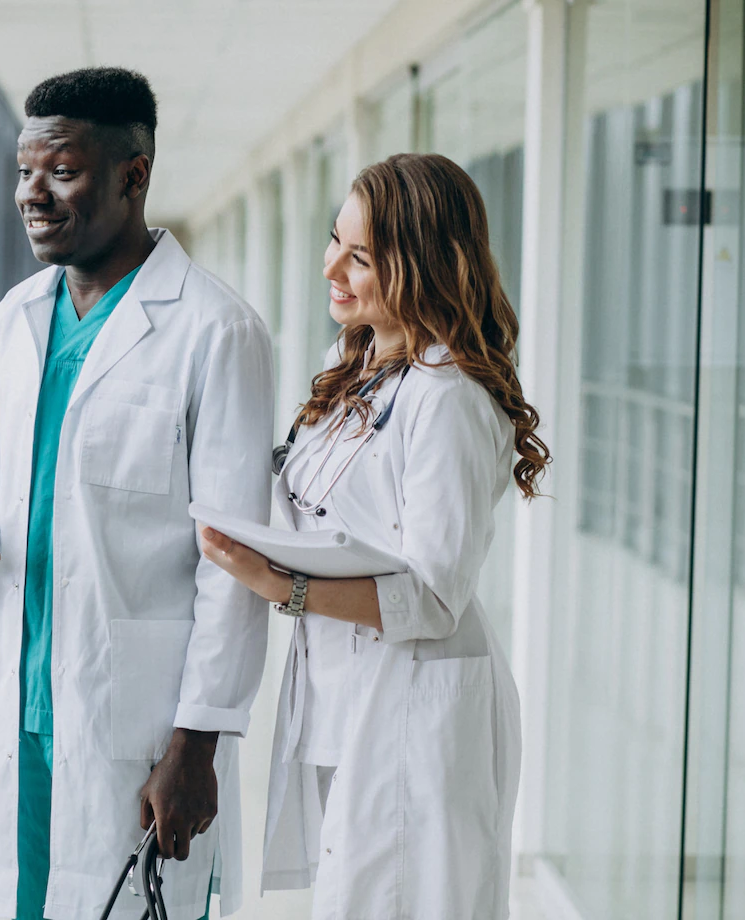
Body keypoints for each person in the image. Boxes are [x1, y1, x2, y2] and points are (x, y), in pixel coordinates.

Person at [0, 67, 275, 920]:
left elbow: (232, 561)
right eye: (25, 172)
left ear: (135, 174)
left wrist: (197, 742)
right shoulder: (15, 319)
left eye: (61, 170)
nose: (32, 195)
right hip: (20, 701)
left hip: (135, 718)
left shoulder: (216, 331)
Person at [199, 153, 550, 920]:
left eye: (359, 257)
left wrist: (281, 587)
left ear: (422, 266)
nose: (330, 265)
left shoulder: (448, 399)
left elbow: (432, 599)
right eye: (335, 241)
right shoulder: (355, 362)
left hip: (419, 704)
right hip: (347, 695)